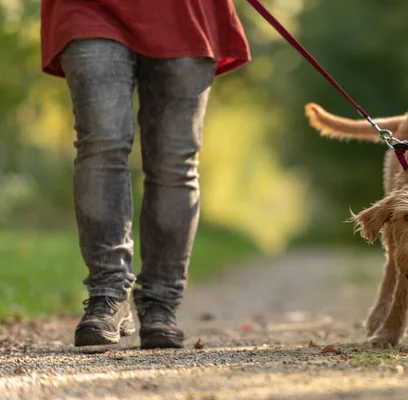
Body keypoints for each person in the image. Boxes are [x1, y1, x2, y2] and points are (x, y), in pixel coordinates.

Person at [40, 0, 251, 349]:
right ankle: (108, 294)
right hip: (88, 8)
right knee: (101, 143)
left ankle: (160, 304)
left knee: (174, 160)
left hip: (186, 12)